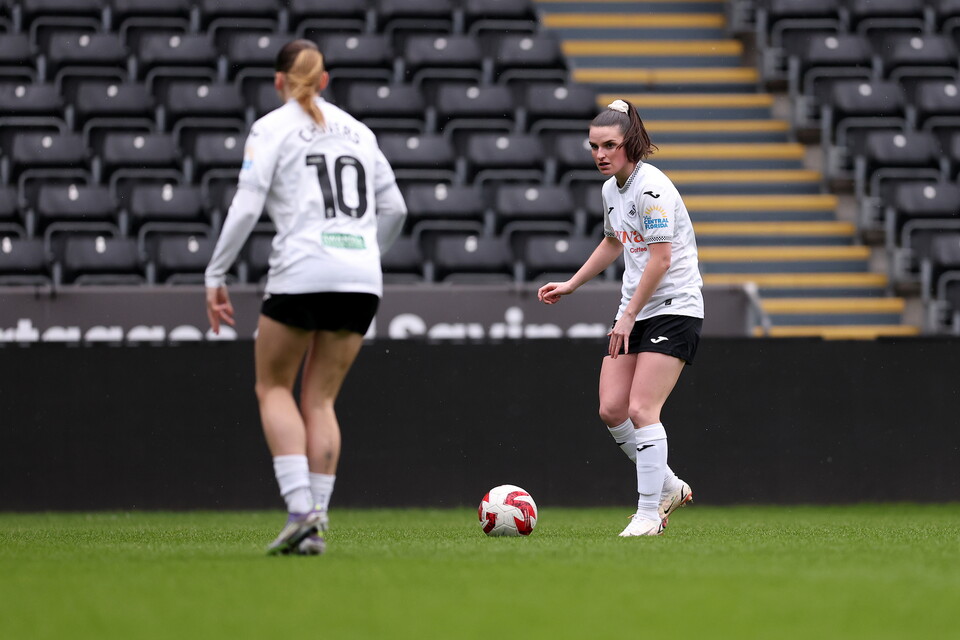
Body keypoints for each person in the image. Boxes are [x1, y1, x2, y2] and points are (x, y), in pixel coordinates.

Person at [204, 39, 407, 555]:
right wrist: (365, 254)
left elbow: (247, 206)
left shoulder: (271, 128)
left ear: (278, 81)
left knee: (272, 387)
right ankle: (316, 522)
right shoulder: (360, 132)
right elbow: (396, 209)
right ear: (324, 79)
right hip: (360, 278)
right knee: (320, 399)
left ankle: (300, 511)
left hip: (301, 272)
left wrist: (216, 272)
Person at [537, 99, 702, 537]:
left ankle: (649, 513)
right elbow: (614, 242)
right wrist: (572, 284)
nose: (600, 154)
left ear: (630, 144)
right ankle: (667, 484)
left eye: (609, 145)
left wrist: (628, 314)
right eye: (593, 146)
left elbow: (661, 260)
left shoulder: (652, 190)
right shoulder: (613, 189)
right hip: (636, 309)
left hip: (673, 308)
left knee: (642, 408)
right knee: (612, 409)